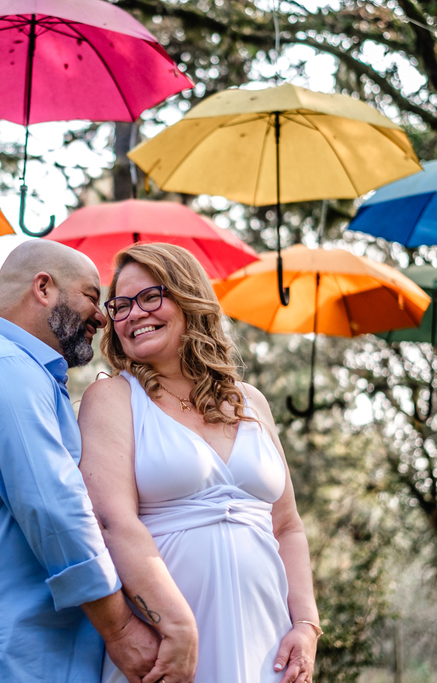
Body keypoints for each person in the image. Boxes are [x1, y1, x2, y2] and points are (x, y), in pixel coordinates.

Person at [0, 240, 161, 683]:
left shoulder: (18, 372)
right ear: (44, 288)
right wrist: (120, 629)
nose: (103, 317)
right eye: (91, 296)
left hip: (18, 646)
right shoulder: (1, 368)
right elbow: (54, 506)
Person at [79, 243, 322, 683]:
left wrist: (306, 624)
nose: (132, 314)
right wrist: (177, 627)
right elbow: (113, 522)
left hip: (267, 639)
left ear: (188, 297)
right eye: (120, 305)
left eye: (151, 297)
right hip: (169, 639)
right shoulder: (113, 398)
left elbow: (287, 526)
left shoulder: (252, 403)